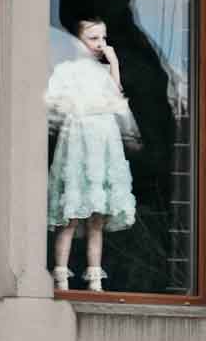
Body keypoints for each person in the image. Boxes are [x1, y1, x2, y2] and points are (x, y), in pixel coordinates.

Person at [46, 18, 137, 290]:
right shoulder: (66, 70)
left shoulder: (102, 71)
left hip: (103, 140)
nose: (100, 45)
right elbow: (56, 102)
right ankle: (61, 276)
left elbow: (116, 100)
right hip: (80, 139)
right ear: (78, 40)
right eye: (93, 38)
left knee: (97, 216)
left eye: (103, 38)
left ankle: (95, 279)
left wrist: (115, 65)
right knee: (71, 215)